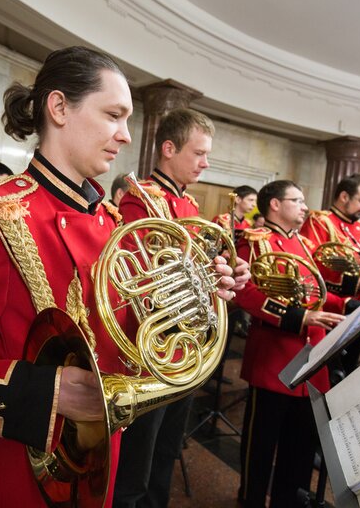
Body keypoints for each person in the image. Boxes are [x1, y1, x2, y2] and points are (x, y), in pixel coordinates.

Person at [0, 47, 236, 507]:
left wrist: (193, 300)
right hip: (17, 471)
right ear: (59, 108)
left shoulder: (114, 223)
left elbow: (130, 340)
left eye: (127, 120)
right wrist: (48, 393)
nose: (124, 136)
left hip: (102, 457)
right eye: (113, 115)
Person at [114, 108, 249, 508]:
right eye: (199, 153)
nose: (206, 163)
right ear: (168, 149)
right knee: (139, 458)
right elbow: (134, 279)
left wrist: (225, 273)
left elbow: (198, 268)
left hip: (188, 345)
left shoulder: (187, 204)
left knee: (166, 449)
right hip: (153, 346)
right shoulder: (141, 200)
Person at [233, 180, 346, 508]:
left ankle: (288, 499)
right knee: (261, 443)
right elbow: (247, 293)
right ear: (275, 205)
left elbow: (316, 291)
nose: (304, 206)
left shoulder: (305, 243)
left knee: (299, 442)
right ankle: (251, 499)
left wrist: (350, 303)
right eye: (296, 200)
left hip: (312, 357)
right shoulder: (256, 241)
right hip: (274, 358)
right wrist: (300, 318)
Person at [300, 174, 360, 373]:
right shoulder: (321, 222)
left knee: (350, 370)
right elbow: (312, 268)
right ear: (344, 196)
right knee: (327, 375)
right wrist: (357, 284)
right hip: (335, 314)